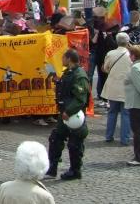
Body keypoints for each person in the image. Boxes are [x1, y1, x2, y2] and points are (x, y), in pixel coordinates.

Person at [46, 49, 89, 181]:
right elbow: (67, 89)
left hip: (74, 115)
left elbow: (80, 98)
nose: (62, 60)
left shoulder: (79, 75)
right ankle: (52, 167)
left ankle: (75, 171)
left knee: (75, 143)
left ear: (69, 59)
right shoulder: (69, 73)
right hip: (64, 113)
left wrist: (68, 111)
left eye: (63, 58)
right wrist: (57, 82)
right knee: (55, 139)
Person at [102, 33, 132, 145]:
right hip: (126, 88)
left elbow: (105, 68)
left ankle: (109, 136)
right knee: (126, 114)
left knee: (112, 112)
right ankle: (125, 139)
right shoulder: (131, 54)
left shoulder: (111, 53)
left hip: (113, 86)